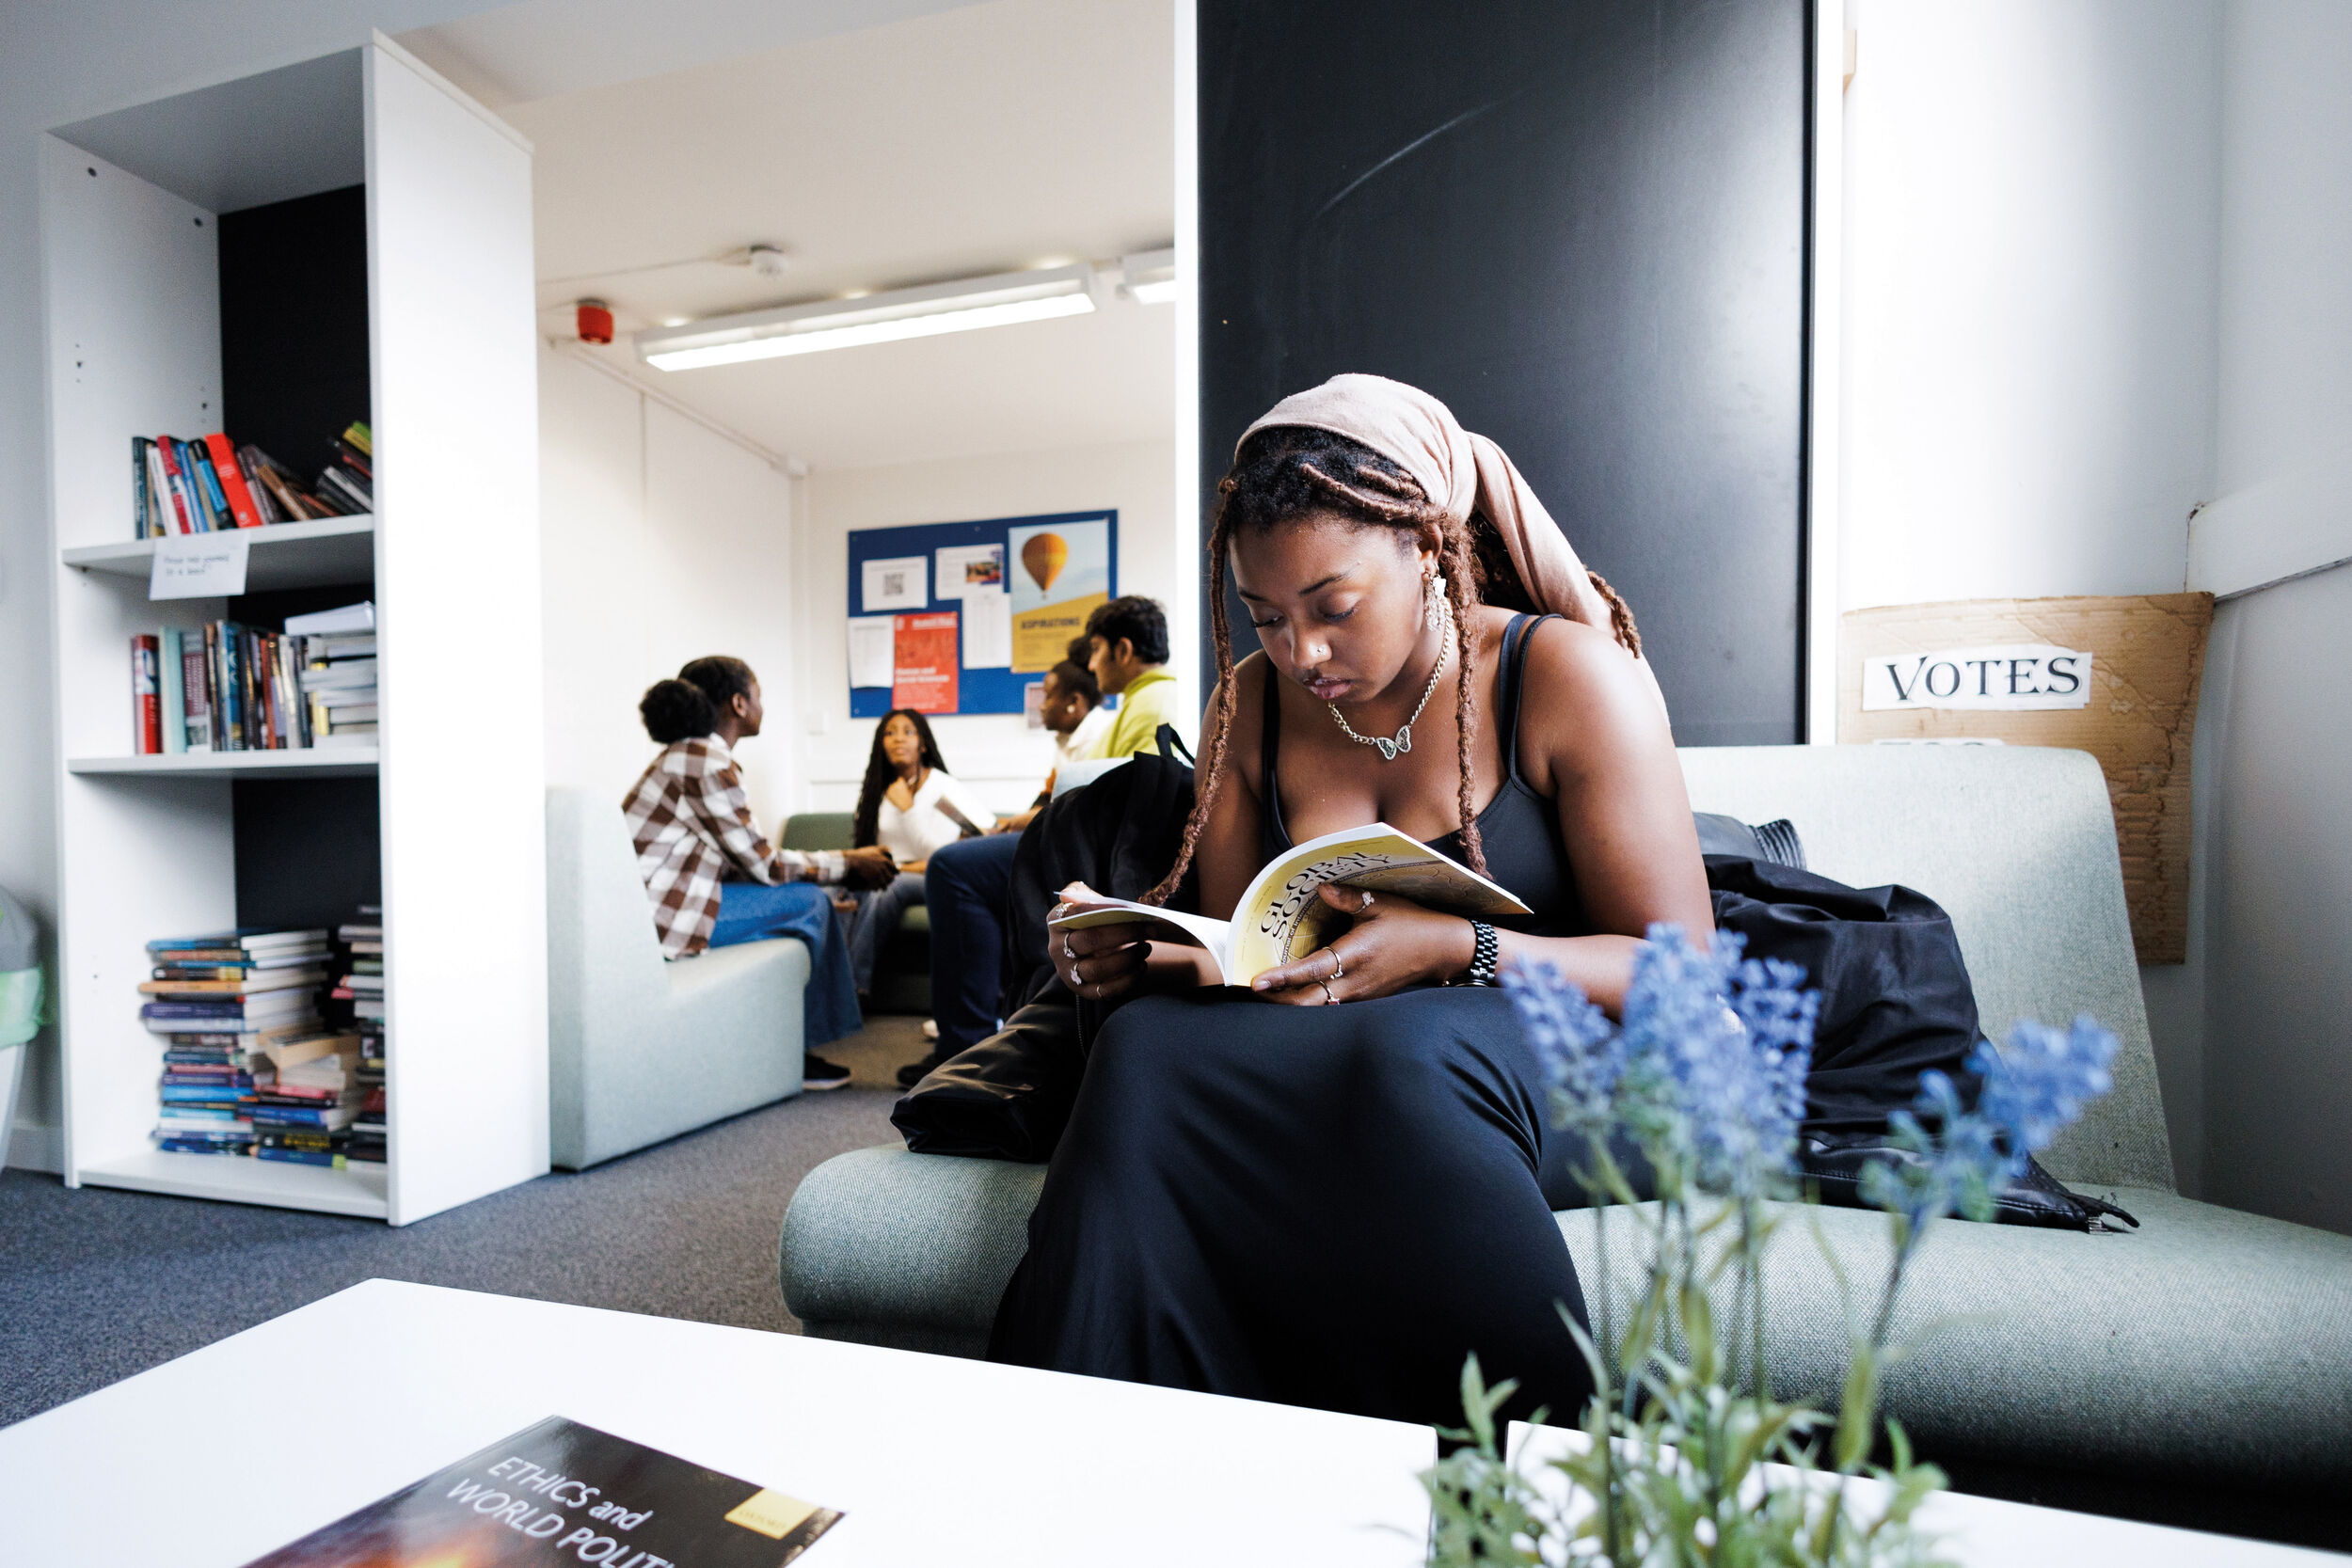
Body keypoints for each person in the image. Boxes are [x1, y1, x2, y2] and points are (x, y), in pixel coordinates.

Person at [990, 373, 1708, 1429]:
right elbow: (1261, 963)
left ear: (1427, 550)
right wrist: (1138, 951)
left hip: (1578, 1048)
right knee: (1141, 1050)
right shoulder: (1251, 703)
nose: (1301, 653)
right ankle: (1103, 1459)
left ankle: (1511, 1498)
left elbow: (1682, 972)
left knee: (1409, 1055)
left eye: (1332, 608)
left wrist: (1453, 947)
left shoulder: (1562, 676)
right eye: (1266, 616)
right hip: (1356, 1043)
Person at [902, 604, 1185, 1088]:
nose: (1092, 666)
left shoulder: (1152, 704)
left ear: (1122, 649)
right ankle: (1001, 1028)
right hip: (1097, 839)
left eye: (1096, 651)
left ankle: (976, 1039)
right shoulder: (1142, 703)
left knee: (952, 868)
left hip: (1113, 851)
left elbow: (1119, 805)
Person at [625, 657, 894, 1091]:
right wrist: (850, 862)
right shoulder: (703, 761)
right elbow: (766, 864)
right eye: (759, 694)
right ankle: (800, 1051)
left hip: (659, 909)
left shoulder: (686, 757)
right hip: (663, 921)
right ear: (739, 704)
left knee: (809, 900)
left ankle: (796, 1043)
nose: (762, 704)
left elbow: (740, 862)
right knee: (811, 902)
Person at [843, 708, 994, 997]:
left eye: (908, 732)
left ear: (923, 744)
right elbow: (871, 848)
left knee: (886, 889)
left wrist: (908, 810)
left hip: (936, 877)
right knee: (840, 892)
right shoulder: (878, 790)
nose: (898, 739)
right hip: (895, 870)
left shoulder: (943, 787)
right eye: (890, 733)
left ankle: (852, 988)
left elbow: (943, 858)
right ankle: (832, 981)